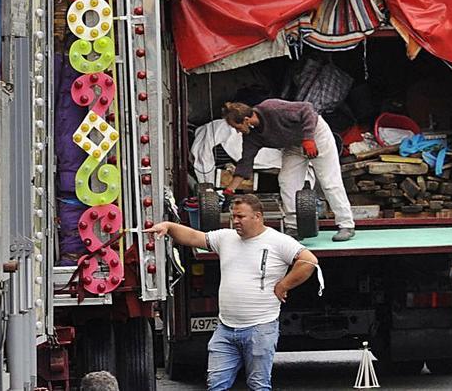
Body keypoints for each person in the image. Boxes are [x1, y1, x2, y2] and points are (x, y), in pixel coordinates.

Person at [146, 194, 320, 391]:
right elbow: (195, 237)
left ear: (257, 216)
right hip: (226, 328)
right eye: (233, 216)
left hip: (260, 327)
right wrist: (169, 227)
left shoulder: (278, 241)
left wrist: (284, 285)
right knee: (216, 384)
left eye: (241, 217)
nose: (235, 221)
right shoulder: (226, 238)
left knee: (258, 385)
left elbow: (309, 261)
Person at [223, 100, 355, 242]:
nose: (237, 131)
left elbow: (307, 109)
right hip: (292, 145)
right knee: (287, 182)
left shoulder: (271, 108)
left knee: (329, 181)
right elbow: (246, 162)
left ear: (246, 120)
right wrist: (230, 190)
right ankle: (293, 226)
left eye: (236, 127)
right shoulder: (252, 136)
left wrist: (308, 139)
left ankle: (346, 225)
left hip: (315, 135)